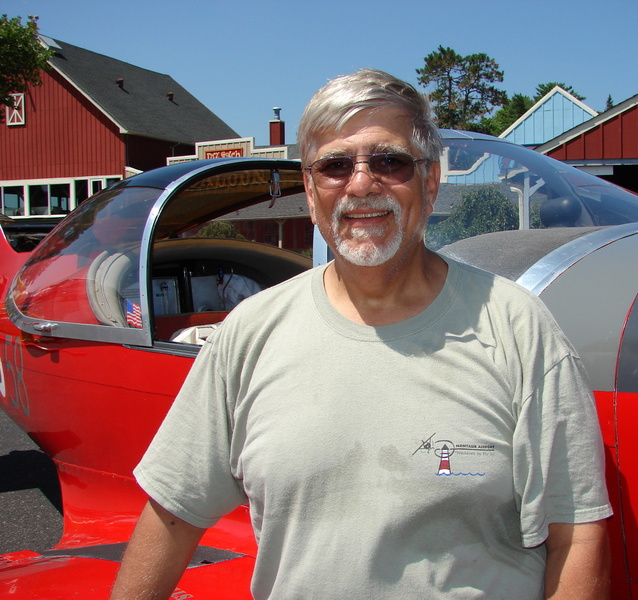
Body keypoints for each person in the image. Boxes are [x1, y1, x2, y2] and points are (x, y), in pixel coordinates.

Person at [111, 69, 612, 600]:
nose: (361, 184)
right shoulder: (249, 333)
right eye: (335, 165)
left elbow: (577, 534)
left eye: (390, 162)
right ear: (310, 192)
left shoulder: (518, 326)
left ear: (430, 182)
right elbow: (173, 514)